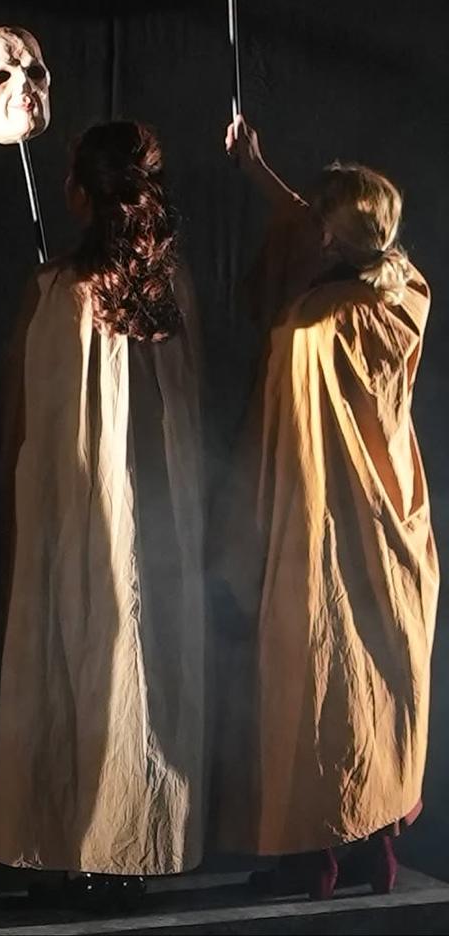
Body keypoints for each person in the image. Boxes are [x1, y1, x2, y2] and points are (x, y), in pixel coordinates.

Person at [215, 116, 438, 898]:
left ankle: (313, 859)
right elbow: (332, 231)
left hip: (324, 525)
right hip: (393, 523)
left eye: (320, 220)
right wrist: (258, 169)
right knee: (378, 682)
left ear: (335, 239)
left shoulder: (314, 323)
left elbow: (283, 426)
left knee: (319, 678)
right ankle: (376, 849)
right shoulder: (407, 291)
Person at [0, 122, 205, 909]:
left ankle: (80, 843)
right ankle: (127, 845)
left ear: (80, 193)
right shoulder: (169, 288)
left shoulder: (54, 293)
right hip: (151, 520)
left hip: (72, 516)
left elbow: (21, 415)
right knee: (135, 660)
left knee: (77, 655)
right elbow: (192, 403)